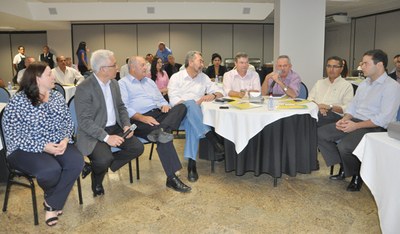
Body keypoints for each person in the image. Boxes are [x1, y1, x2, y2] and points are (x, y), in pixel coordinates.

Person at [2, 61, 84, 226]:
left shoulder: (57, 96)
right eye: (49, 74)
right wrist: (43, 146)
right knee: (50, 170)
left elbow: (68, 123)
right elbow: (13, 135)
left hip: (57, 142)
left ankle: (52, 203)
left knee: (76, 162)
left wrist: (65, 139)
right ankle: (54, 201)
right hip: (24, 148)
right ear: (37, 79)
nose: (53, 76)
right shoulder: (18, 101)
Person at [318, 49, 400, 191]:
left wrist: (355, 126)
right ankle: (345, 165)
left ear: (379, 65)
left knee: (345, 146)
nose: (361, 66)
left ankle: (357, 174)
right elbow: (352, 106)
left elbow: (383, 119)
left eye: (365, 63)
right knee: (321, 134)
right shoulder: (364, 84)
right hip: (355, 121)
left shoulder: (392, 87)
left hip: (375, 126)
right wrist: (345, 119)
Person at [75, 49, 144, 197]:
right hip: (93, 132)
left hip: (115, 127)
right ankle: (98, 180)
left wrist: (126, 124)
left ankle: (97, 168)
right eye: (114, 65)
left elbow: (121, 107)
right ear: (103, 69)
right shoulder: (84, 88)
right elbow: (85, 121)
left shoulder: (114, 83)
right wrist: (107, 138)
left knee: (137, 148)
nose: (118, 67)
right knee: (104, 158)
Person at [119, 56, 191, 193]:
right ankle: (172, 178)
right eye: (142, 65)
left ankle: (162, 129)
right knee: (162, 137)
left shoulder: (150, 82)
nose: (146, 67)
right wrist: (142, 117)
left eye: (145, 65)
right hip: (138, 119)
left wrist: (164, 105)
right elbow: (124, 107)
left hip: (158, 115)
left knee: (182, 107)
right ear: (132, 68)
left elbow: (160, 99)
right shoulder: (122, 84)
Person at [168, 51, 225, 183]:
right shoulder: (176, 77)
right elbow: (173, 100)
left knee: (192, 122)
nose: (202, 63)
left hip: (197, 119)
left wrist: (213, 95)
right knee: (190, 105)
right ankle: (210, 137)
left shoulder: (203, 77)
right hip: (179, 115)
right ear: (191, 62)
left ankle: (192, 164)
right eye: (200, 60)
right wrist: (191, 105)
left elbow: (221, 91)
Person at [308, 56, 354, 127]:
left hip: (334, 115)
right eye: (329, 66)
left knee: (312, 121)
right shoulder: (319, 83)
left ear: (341, 69)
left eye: (335, 67)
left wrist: (329, 107)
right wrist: (319, 107)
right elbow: (310, 99)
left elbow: (347, 108)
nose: (331, 69)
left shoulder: (347, 86)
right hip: (317, 111)